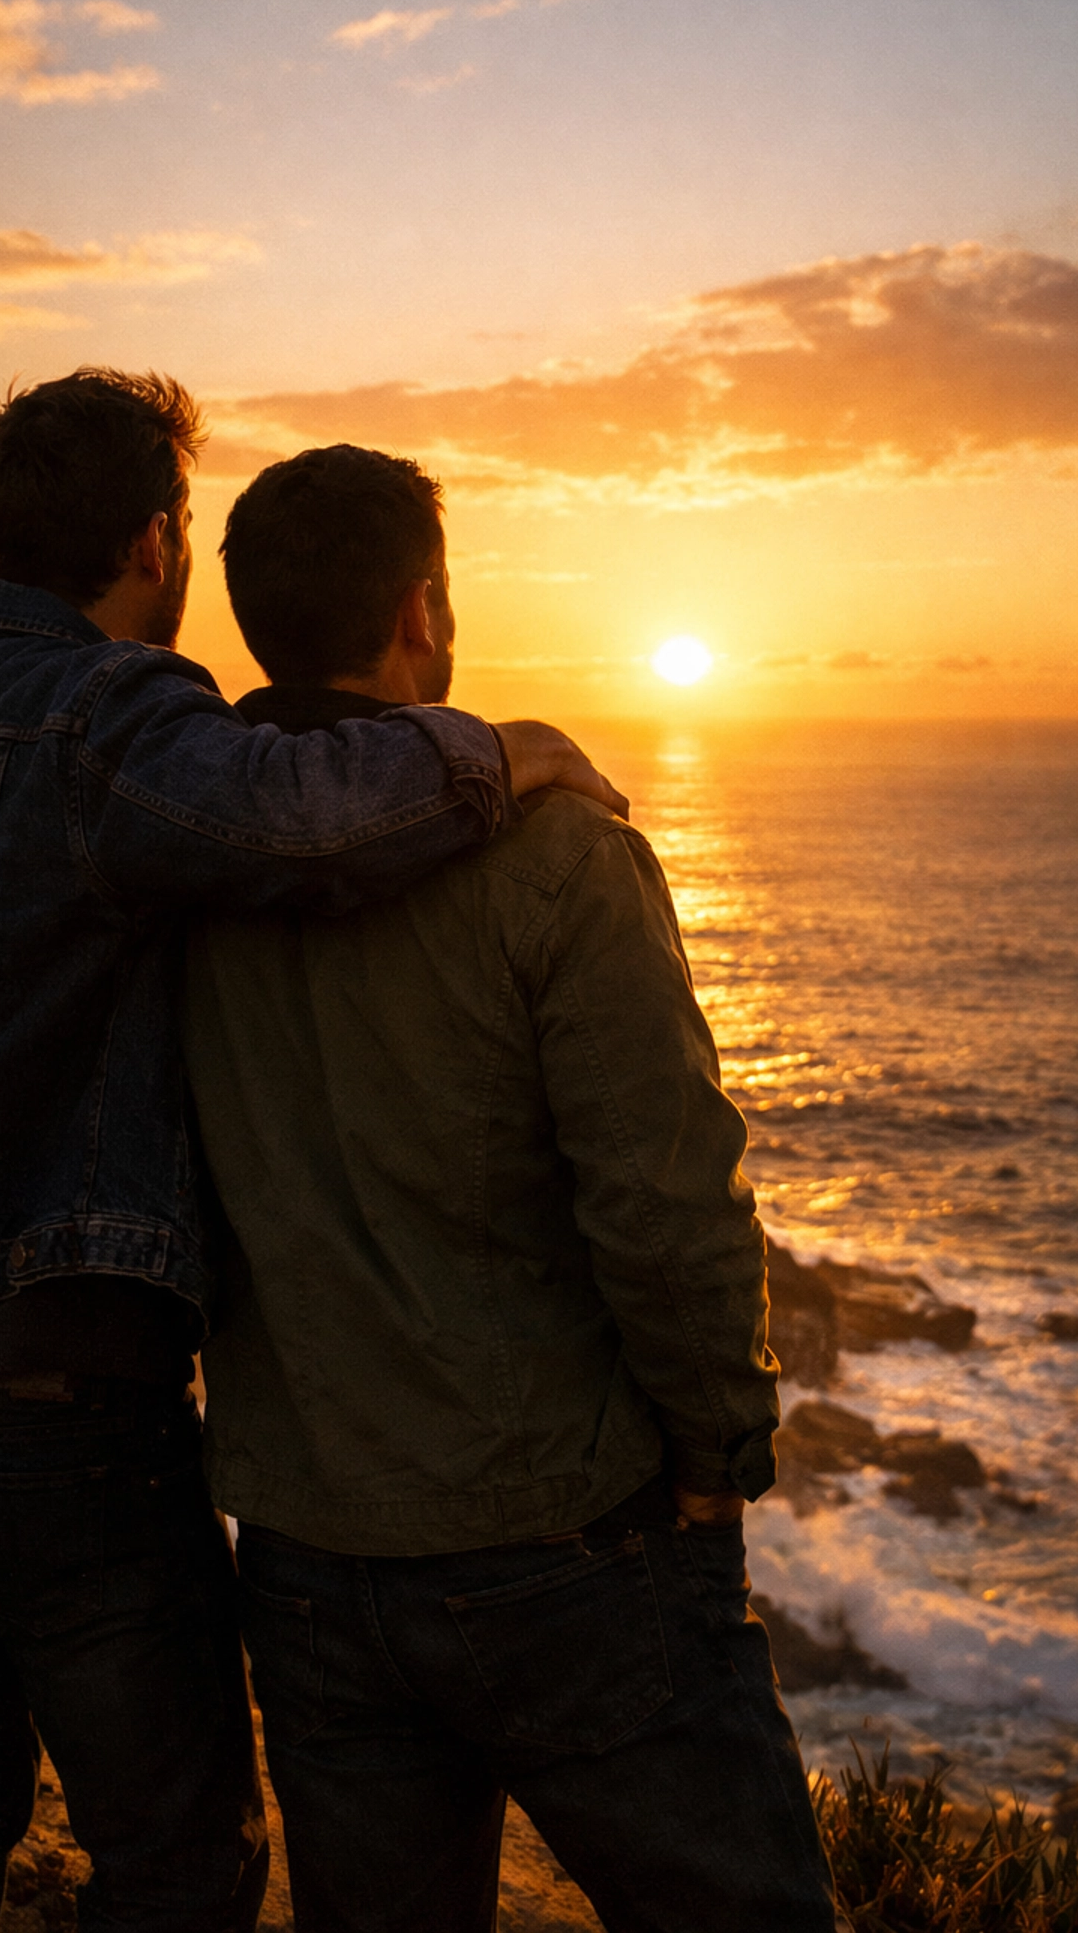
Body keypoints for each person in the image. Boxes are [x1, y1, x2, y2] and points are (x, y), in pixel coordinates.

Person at [0, 372, 624, 1933]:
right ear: (157, 540)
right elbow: (296, 815)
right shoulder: (111, 715)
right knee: (179, 1860)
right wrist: (499, 752)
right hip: (65, 1416)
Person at [182, 443, 841, 1933]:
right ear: (422, 610)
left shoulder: (182, 868)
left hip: (307, 1547)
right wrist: (715, 1444)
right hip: (567, 1541)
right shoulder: (555, 851)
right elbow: (665, 1198)